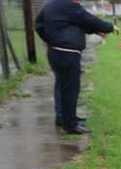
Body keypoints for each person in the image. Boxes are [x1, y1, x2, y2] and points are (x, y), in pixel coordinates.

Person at [35, 0, 115, 135]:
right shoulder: (69, 6)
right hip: (68, 54)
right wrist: (110, 27)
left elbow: (39, 25)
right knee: (71, 90)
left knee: (61, 86)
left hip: (55, 52)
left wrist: (52, 40)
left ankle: (63, 117)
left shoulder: (51, 5)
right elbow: (90, 20)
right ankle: (70, 125)